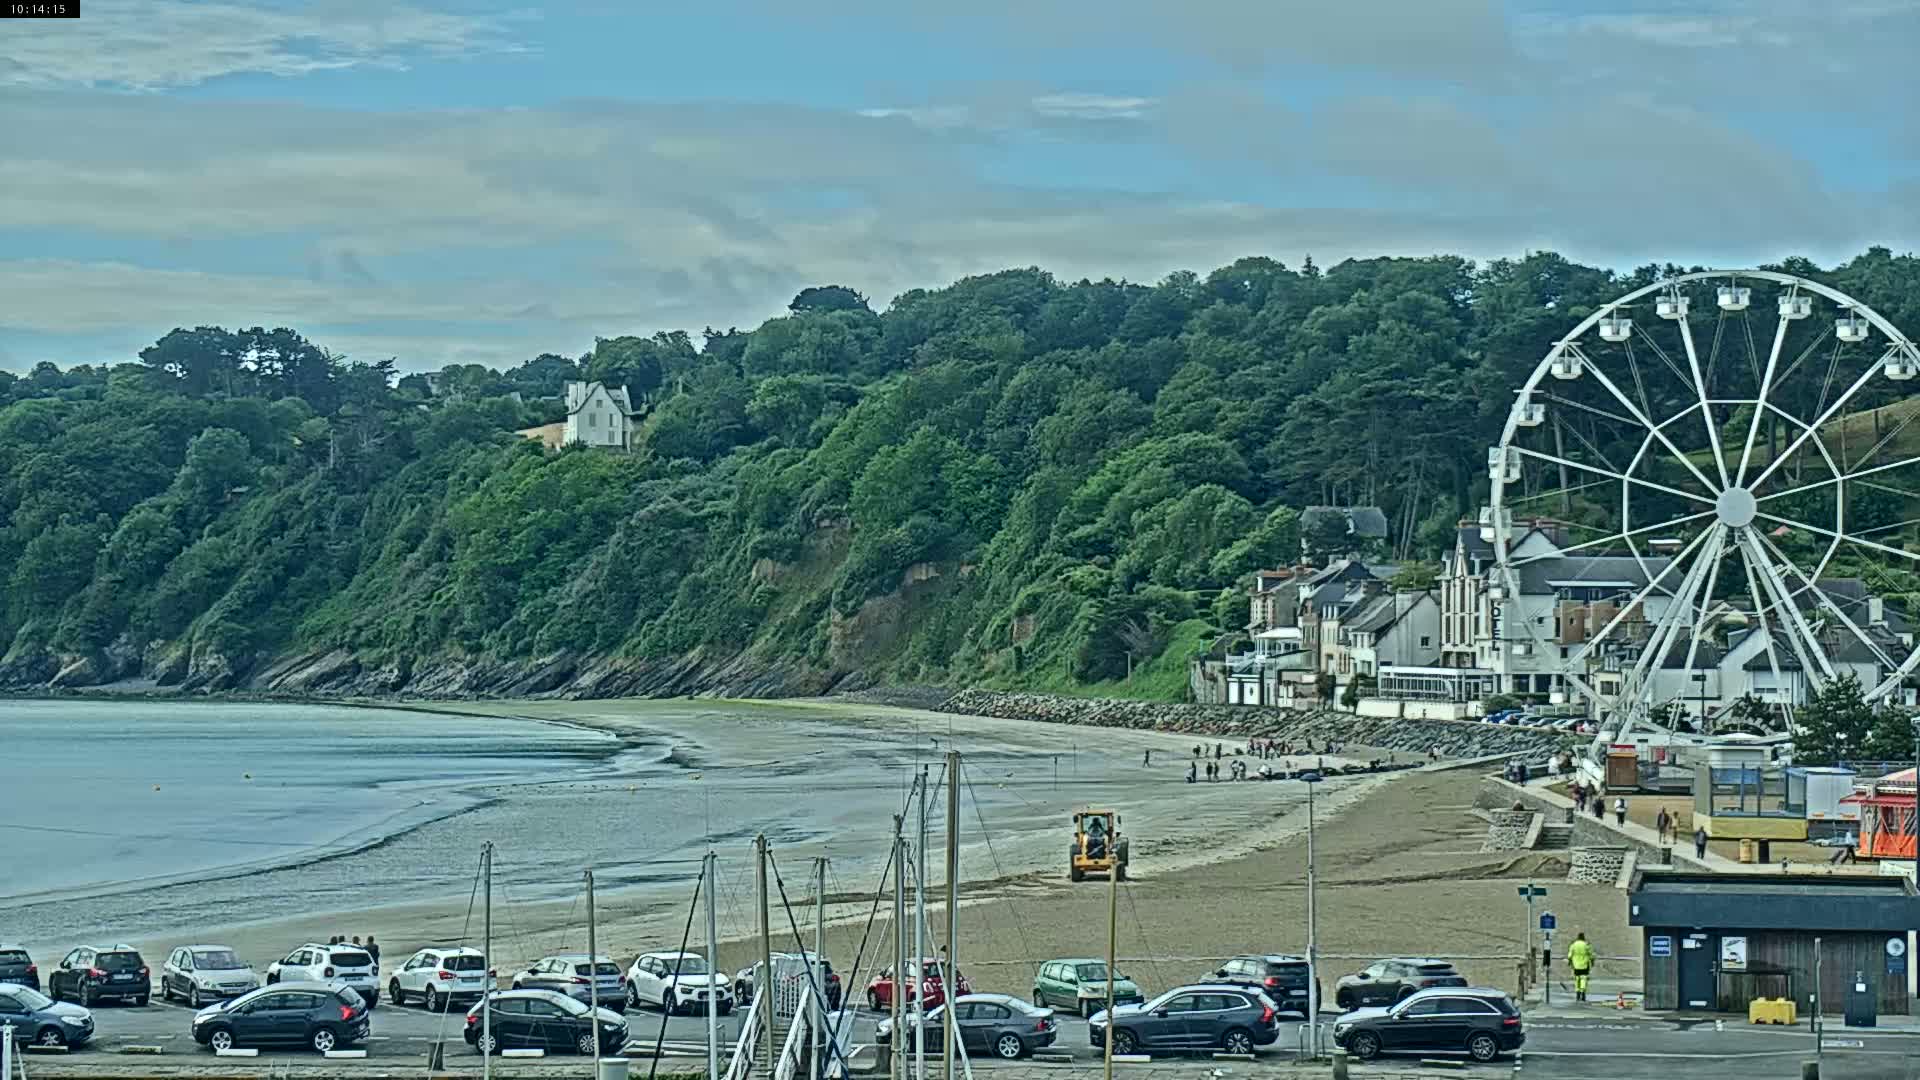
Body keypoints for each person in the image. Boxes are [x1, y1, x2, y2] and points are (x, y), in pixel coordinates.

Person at [1567, 932, 1595, 1002]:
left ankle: (1577, 992)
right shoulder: (1586, 944)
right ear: (1583, 937)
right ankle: (1583, 992)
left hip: (1576, 965)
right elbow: (1591, 954)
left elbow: (1570, 955)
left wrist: (1569, 962)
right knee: (1584, 978)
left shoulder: (1573, 945)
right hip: (1585, 964)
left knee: (1577, 978)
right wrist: (1592, 961)